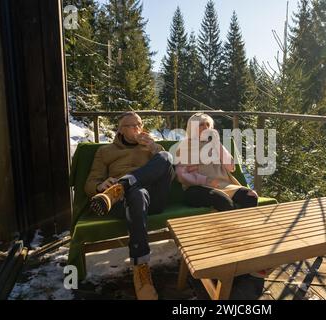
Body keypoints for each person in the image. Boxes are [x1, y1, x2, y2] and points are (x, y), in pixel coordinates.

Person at [84, 111, 175, 300]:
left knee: (166, 156)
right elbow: (90, 183)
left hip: (154, 199)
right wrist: (100, 186)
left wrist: (153, 147)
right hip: (124, 203)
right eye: (131, 126)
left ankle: (123, 185)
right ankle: (141, 270)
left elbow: (167, 169)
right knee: (137, 193)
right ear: (120, 130)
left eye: (139, 124)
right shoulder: (106, 152)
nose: (137, 129)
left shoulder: (150, 147)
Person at [175, 113, 258, 212]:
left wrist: (217, 143)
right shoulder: (184, 147)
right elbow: (181, 175)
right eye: (201, 125)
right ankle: (231, 225)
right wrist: (206, 180)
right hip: (197, 188)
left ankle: (243, 225)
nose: (206, 128)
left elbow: (230, 167)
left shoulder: (214, 144)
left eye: (208, 125)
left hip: (223, 185)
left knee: (251, 196)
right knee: (224, 201)